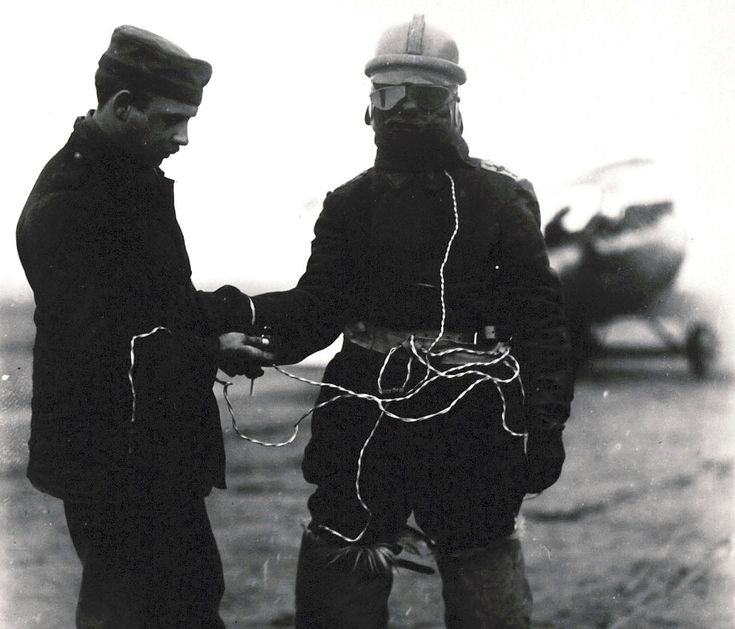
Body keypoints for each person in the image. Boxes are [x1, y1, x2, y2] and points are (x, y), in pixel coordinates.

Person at [226, 15, 574, 628]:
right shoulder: (349, 205)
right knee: (339, 594)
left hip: (473, 427)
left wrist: (544, 429)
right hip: (364, 426)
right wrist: (239, 322)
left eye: (427, 97)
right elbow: (316, 309)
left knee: (488, 597)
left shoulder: (501, 199)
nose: (406, 111)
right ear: (369, 107)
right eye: (389, 95)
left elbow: (542, 324)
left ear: (455, 105)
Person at [16, 25, 269, 629]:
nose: (183, 137)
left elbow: (157, 303)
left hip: (148, 455)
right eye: (171, 120)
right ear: (124, 104)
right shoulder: (70, 201)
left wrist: (238, 313)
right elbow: (103, 347)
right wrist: (211, 348)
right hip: (111, 466)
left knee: (184, 599)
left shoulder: (123, 179)